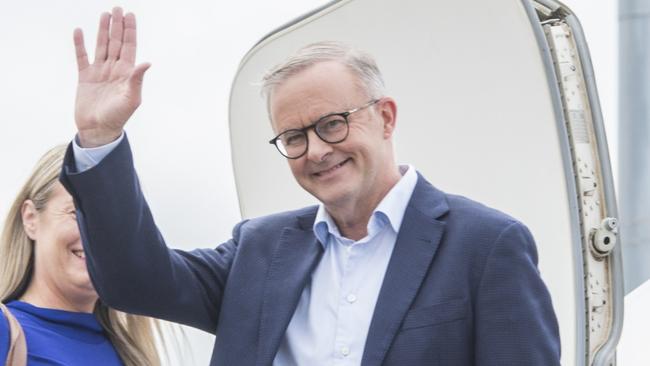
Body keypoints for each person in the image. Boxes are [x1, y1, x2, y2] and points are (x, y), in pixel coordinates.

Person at [60, 7, 561, 366]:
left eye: (333, 123)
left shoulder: (486, 245)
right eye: (294, 137)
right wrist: (101, 138)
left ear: (385, 118)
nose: (317, 150)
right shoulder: (258, 249)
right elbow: (133, 281)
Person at [0, 145, 162, 366]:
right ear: (31, 218)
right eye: (78, 213)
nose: (98, 235)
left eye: (114, 222)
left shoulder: (132, 355)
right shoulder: (5, 332)